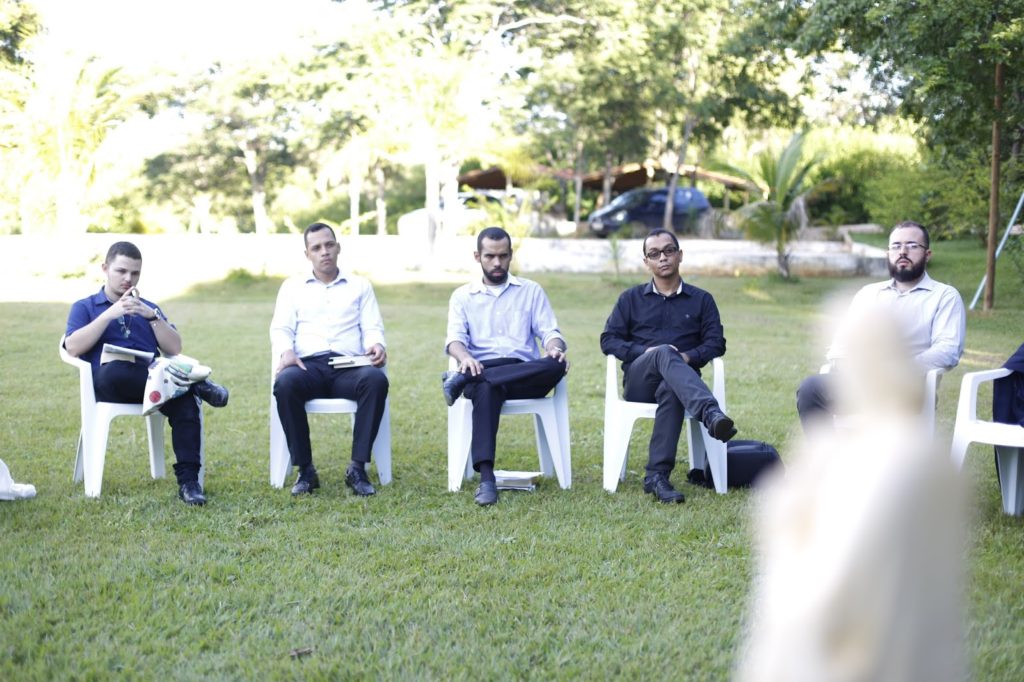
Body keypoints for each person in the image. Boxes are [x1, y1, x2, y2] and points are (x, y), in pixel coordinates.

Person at [64, 241, 228, 506]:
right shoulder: (85, 307)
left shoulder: (149, 307)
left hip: (154, 383)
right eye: (121, 271)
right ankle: (196, 385)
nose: (128, 279)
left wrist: (152, 317)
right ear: (105, 268)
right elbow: (72, 347)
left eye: (135, 273)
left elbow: (174, 347)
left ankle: (189, 483)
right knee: (119, 371)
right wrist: (109, 314)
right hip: (110, 381)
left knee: (184, 402)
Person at [600, 229, 736, 504]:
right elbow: (608, 340)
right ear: (646, 262)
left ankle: (657, 477)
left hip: (681, 386)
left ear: (680, 255)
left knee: (671, 387)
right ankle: (710, 413)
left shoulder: (702, 300)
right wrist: (644, 352)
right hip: (640, 381)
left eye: (668, 250)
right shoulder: (630, 299)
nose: (662, 257)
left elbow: (715, 344)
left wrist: (687, 357)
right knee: (662, 353)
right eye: (654, 254)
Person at [796, 221, 966, 430]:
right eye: (895, 246)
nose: (902, 252)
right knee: (810, 389)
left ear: (927, 254)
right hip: (859, 383)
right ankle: (825, 459)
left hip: (907, 388)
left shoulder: (944, 296)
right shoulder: (869, 293)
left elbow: (948, 350)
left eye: (912, 245)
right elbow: (840, 345)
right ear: (888, 252)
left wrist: (895, 371)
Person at [442, 226, 569, 507]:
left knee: (557, 364)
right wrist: (464, 360)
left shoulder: (531, 290)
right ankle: (487, 479)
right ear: (478, 256)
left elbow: (551, 332)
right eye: (490, 256)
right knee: (486, 386)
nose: (497, 263)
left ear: (511, 255)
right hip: (479, 369)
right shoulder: (462, 296)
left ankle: (459, 380)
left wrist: (554, 347)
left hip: (526, 373)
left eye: (503, 256)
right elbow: (454, 341)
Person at [270, 222, 389, 497]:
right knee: (285, 384)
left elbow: (372, 326)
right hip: (307, 366)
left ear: (338, 247)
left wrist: (376, 345)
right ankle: (306, 470)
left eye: (329, 245)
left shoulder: (360, 285)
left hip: (349, 366)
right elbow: (281, 328)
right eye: (317, 247)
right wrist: (285, 350)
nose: (324, 252)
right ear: (307, 254)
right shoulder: (292, 287)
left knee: (375, 380)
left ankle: (357, 468)